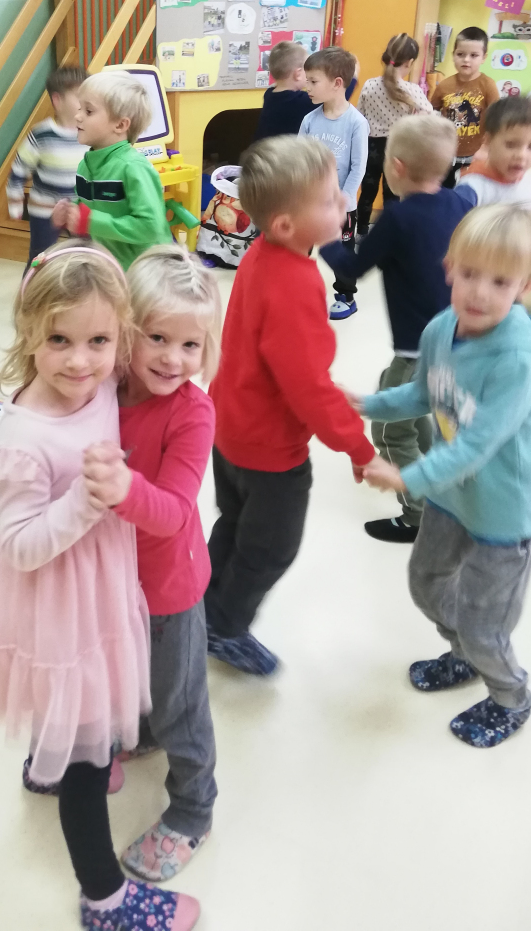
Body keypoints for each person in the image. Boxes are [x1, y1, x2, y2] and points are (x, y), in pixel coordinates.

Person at [0, 242, 200, 931]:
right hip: (59, 597)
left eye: (99, 341)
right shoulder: (25, 433)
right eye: (58, 341)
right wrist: (85, 503)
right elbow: (18, 544)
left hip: (94, 580)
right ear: (28, 334)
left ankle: (44, 761)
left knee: (64, 705)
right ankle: (105, 901)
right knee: (90, 761)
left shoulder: (103, 379)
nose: (80, 362)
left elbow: (159, 351)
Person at [361, 205, 531, 748]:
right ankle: (465, 653)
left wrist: (406, 478)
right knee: (425, 582)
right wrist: (363, 404)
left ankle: (510, 694)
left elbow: (476, 447)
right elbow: (421, 394)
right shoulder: (441, 328)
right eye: (471, 274)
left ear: (525, 286)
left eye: (500, 282)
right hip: (450, 499)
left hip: (503, 518)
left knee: (486, 625)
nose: (479, 292)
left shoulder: (515, 363)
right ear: (449, 268)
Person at [204, 137, 375, 675]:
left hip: (229, 426)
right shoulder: (296, 281)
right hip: (269, 451)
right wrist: (360, 448)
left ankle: (201, 605)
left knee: (235, 522)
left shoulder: (262, 255)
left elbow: (278, 358)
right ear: (284, 224)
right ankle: (224, 627)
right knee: (270, 548)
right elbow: (308, 389)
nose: (344, 202)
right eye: (328, 199)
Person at [82, 244, 221, 882]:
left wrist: (122, 489)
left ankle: (193, 808)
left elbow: (171, 511)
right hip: (114, 578)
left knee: (179, 703)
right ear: (127, 331)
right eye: (157, 338)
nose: (172, 358)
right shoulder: (107, 390)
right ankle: (137, 734)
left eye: (190, 345)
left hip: (169, 587)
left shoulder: (192, 412)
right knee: (125, 670)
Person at [320, 114, 475, 543]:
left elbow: (352, 269)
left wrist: (327, 237)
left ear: (397, 167)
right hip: (459, 341)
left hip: (418, 350)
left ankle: (418, 515)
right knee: (423, 412)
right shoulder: (461, 203)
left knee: (390, 430)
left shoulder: (398, 218)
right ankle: (439, 479)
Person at [54, 71, 171, 269]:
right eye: (80, 108)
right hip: (112, 266)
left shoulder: (133, 167)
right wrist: (70, 213)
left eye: (88, 111)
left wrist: (90, 221)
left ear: (120, 124)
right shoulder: (85, 165)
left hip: (148, 271)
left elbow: (151, 227)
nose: (77, 116)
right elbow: (91, 206)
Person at [456, 95, 531, 292]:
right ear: (488, 142)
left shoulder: (529, 182)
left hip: (513, 281)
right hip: (477, 283)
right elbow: (452, 237)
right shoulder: (472, 188)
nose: (521, 155)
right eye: (511, 145)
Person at [300, 47, 370, 320]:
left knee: (342, 252)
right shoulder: (309, 120)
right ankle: (295, 289)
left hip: (342, 205)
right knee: (300, 248)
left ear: (337, 83)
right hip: (309, 202)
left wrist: (344, 200)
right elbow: (298, 159)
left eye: (313, 81)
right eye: (307, 80)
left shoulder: (356, 123)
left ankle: (346, 296)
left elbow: (358, 167)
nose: (307, 87)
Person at [6, 65, 89, 265]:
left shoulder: (90, 133)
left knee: (86, 256)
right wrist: (15, 202)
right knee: (40, 258)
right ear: (57, 101)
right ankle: (33, 285)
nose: (86, 103)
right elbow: (19, 170)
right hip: (45, 210)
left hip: (80, 209)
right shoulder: (41, 134)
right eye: (79, 97)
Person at [355, 33, 432, 238]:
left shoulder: (370, 85)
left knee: (367, 192)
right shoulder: (411, 90)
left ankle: (361, 231)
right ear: (410, 62)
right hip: (397, 148)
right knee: (392, 194)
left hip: (371, 147)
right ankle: (387, 235)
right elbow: (428, 114)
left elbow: (360, 116)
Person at [429, 27, 499, 188]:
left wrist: (486, 148)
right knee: (445, 194)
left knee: (469, 195)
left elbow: (497, 121)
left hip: (476, 157)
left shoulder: (488, 85)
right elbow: (432, 114)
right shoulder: (444, 86)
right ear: (453, 54)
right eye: (460, 54)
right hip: (447, 155)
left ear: (484, 57)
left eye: (474, 55)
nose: (466, 60)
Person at [253, 41, 313, 140]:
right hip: (282, 150)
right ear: (298, 74)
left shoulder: (269, 93)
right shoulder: (302, 100)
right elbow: (333, 99)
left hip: (262, 148)